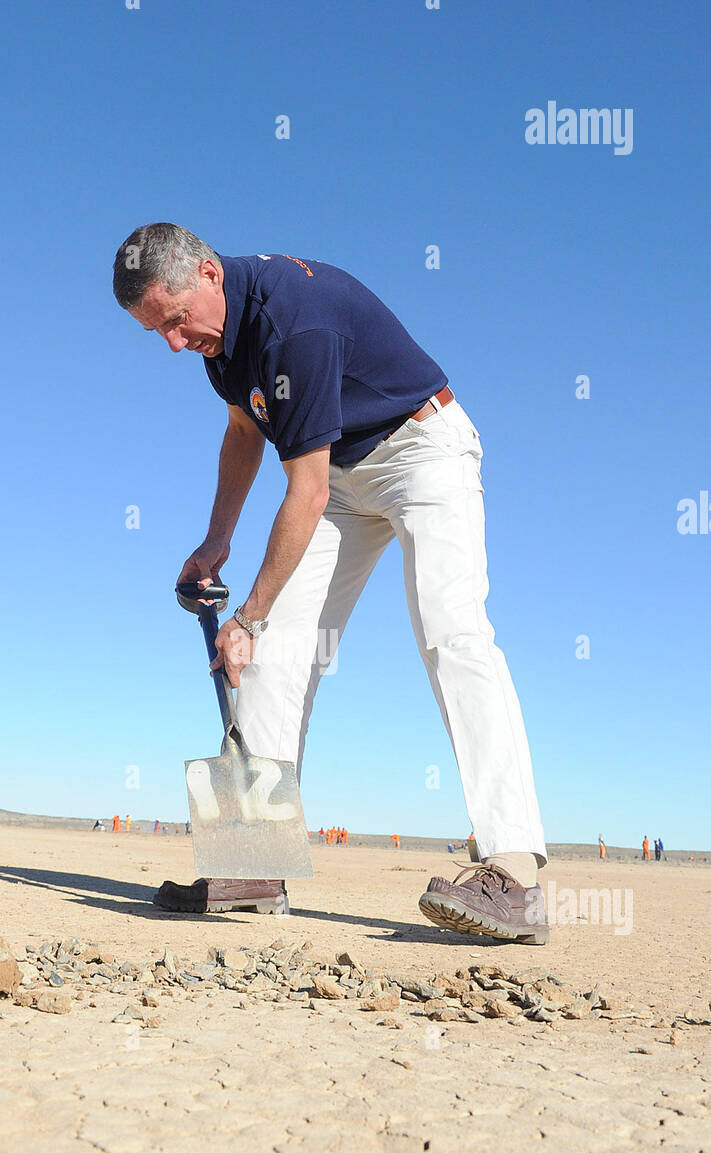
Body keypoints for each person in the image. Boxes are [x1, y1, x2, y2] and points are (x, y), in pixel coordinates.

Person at [114, 225, 547, 942]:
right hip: (342, 476)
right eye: (155, 330)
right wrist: (216, 542)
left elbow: (304, 492)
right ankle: (253, 863)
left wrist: (245, 614)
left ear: (209, 274)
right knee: (275, 654)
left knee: (450, 631)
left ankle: (514, 875)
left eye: (174, 320)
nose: (170, 342)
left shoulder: (294, 322)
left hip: (421, 452)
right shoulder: (219, 341)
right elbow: (243, 434)